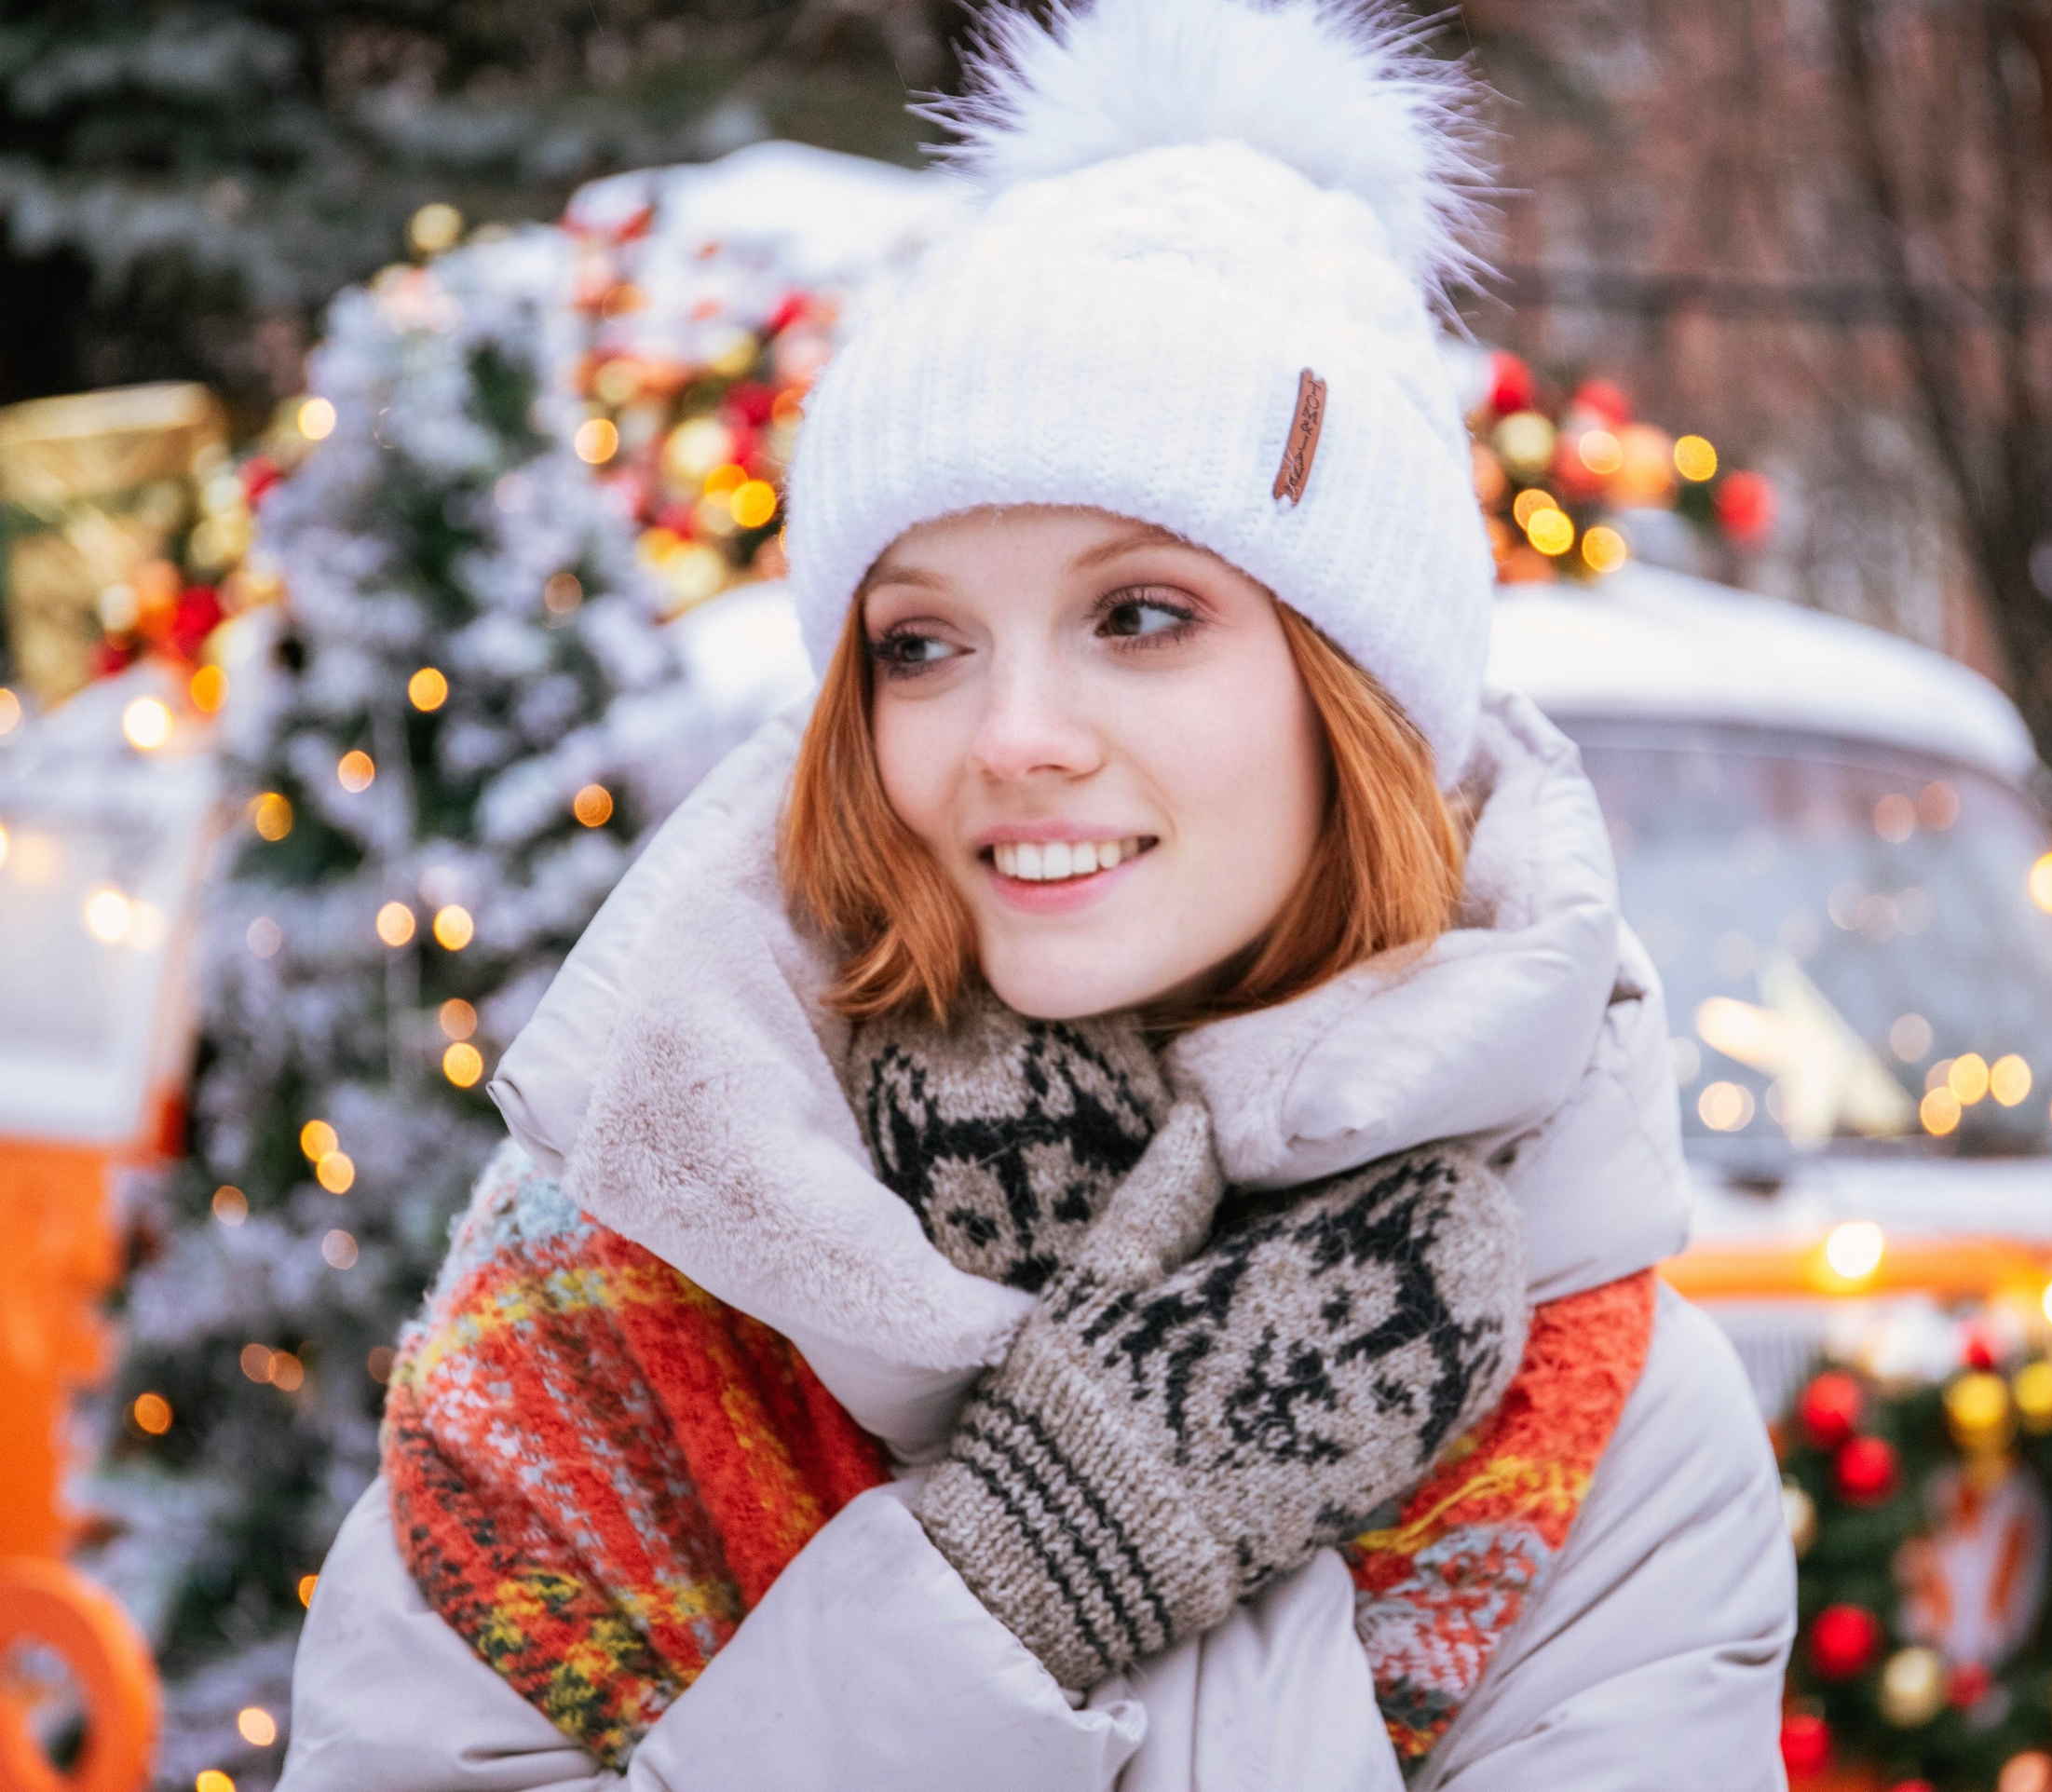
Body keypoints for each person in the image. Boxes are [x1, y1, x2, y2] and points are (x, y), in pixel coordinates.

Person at [277, 1, 1795, 1785]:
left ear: (1354, 698)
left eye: (1139, 615)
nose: (1007, 735)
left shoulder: (1600, 1416)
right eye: (922, 642)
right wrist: (1009, 1584)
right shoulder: (611, 1301)